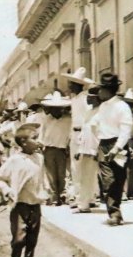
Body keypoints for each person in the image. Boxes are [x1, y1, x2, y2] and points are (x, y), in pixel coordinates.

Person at [0, 123, 48, 257]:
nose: (38, 141)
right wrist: (7, 190)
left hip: (35, 205)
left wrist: (46, 190)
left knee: (32, 240)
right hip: (20, 206)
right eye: (34, 139)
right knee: (18, 239)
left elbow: (41, 177)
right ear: (23, 142)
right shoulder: (14, 160)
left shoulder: (40, 158)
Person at [89, 73, 133, 225]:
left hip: (118, 144)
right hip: (104, 143)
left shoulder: (122, 106)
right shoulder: (102, 107)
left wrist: (117, 148)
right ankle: (114, 213)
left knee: (118, 179)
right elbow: (93, 124)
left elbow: (126, 130)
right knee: (107, 180)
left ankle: (115, 209)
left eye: (101, 90)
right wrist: (98, 143)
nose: (99, 93)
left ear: (108, 90)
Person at [61, 68, 93, 205]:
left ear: (77, 84)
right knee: (76, 167)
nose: (69, 86)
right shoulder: (75, 99)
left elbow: (89, 118)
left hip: (83, 134)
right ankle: (83, 196)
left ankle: (84, 197)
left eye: (71, 84)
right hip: (75, 134)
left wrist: (84, 135)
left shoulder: (85, 98)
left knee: (81, 166)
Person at [40, 91, 72, 206]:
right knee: (51, 174)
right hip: (48, 149)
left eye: (57, 108)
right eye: (52, 108)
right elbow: (42, 134)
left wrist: (69, 146)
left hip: (62, 150)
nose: (55, 110)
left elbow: (70, 135)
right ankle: (54, 196)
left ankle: (62, 195)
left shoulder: (68, 120)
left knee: (62, 174)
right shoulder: (46, 119)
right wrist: (41, 146)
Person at [73, 86, 101, 213]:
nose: (87, 99)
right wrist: (79, 149)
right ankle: (84, 204)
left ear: (95, 98)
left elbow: (102, 133)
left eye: (89, 97)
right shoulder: (89, 112)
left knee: (97, 178)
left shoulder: (101, 112)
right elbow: (84, 132)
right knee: (85, 177)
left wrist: (98, 150)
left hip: (96, 149)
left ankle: (91, 200)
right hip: (86, 149)